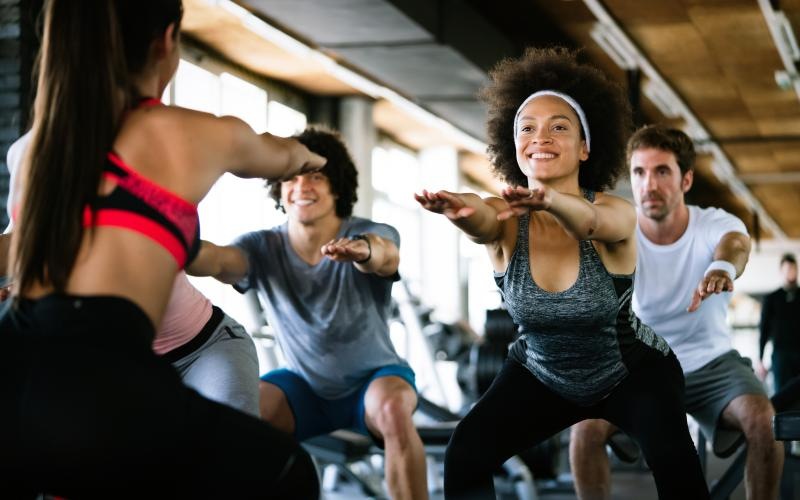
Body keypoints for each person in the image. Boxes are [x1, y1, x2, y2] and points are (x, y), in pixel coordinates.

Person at [0, 0, 326, 498]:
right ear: (166, 40)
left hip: (16, 360)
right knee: (287, 474)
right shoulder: (194, 134)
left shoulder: (36, 148)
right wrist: (311, 156)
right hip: (99, 371)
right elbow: (280, 155)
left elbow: (16, 248)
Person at [415, 47, 708, 499]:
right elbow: (482, 218)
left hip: (632, 370)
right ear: (514, 146)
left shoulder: (614, 211)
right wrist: (458, 208)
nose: (541, 137)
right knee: (465, 454)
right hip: (540, 371)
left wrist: (552, 201)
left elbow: (593, 223)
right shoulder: (507, 217)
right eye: (528, 128)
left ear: (586, 146)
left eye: (559, 127)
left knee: (675, 464)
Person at [187, 126, 428, 500]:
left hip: (374, 380)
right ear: (280, 189)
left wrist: (362, 252)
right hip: (303, 389)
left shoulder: (370, 232)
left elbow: (385, 254)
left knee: (395, 410)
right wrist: (169, 232)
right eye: (292, 178)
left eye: (315, 176)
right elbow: (216, 260)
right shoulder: (261, 246)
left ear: (337, 187)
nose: (302, 186)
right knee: (241, 418)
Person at [570, 125, 782, 500]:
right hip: (640, 365)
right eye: (639, 172)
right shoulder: (621, 229)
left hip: (712, 364)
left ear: (686, 179)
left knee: (764, 421)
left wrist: (722, 269)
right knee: (584, 430)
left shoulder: (712, 223)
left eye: (662, 171)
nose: (648, 184)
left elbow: (734, 244)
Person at [5, 134, 260, 416]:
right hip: (120, 366)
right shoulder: (33, 160)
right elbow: (18, 237)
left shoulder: (140, 159)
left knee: (226, 450)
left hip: (203, 348)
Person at [758, 253, 800, 392]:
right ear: (781, 271)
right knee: (781, 395)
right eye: (787, 269)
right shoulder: (772, 298)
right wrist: (760, 358)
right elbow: (763, 329)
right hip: (781, 355)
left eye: (793, 269)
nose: (790, 272)